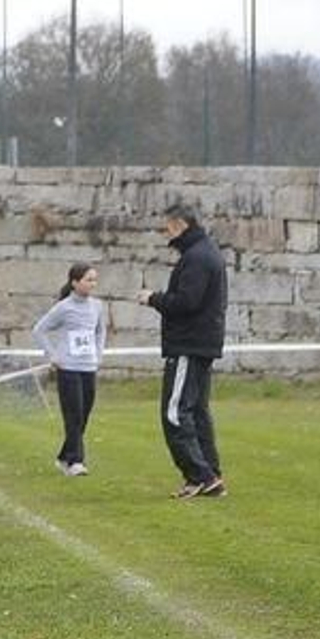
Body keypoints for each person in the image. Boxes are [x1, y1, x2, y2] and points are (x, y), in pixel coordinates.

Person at [137, 203, 228, 499]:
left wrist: (153, 298)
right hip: (201, 342)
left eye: (168, 227)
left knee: (175, 412)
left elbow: (187, 302)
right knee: (198, 411)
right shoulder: (205, 252)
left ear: (179, 224)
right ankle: (210, 474)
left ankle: (199, 475)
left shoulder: (197, 257)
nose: (166, 233)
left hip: (188, 344)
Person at [32, 263, 107, 476]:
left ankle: (64, 456)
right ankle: (75, 462)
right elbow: (39, 330)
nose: (93, 284)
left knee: (84, 414)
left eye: (94, 279)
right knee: (73, 414)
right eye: (88, 280)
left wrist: (98, 354)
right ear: (75, 283)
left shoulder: (97, 306)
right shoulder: (63, 307)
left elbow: (101, 331)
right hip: (68, 368)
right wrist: (53, 355)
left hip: (88, 367)